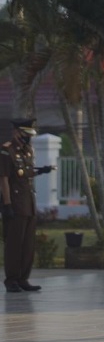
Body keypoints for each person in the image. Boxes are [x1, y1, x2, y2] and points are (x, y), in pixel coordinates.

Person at [1, 119, 55, 293]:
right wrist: (7, 204)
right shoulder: (6, 150)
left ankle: (24, 278)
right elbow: (4, 180)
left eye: (30, 135)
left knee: (28, 244)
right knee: (14, 244)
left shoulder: (28, 151)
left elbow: (27, 173)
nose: (28, 138)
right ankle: (12, 280)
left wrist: (41, 171)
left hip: (29, 202)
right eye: (25, 134)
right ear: (16, 132)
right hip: (15, 204)